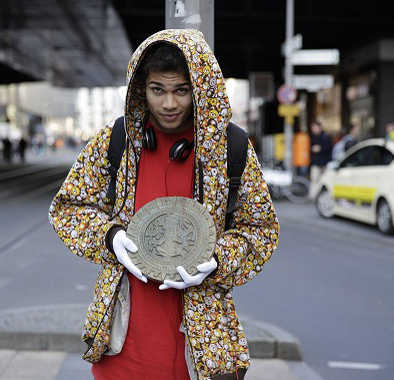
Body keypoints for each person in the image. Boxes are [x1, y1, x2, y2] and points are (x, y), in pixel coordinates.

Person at [49, 29, 279, 380]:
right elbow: (67, 208)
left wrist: (217, 261)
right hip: (124, 349)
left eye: (181, 90)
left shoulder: (230, 149)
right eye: (158, 90)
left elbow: (261, 230)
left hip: (203, 352)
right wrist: (110, 237)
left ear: (199, 89)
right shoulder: (116, 141)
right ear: (141, 88)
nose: (169, 104)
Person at [309, 120, 332, 197]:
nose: (314, 129)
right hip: (315, 162)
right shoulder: (311, 137)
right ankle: (313, 196)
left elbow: (330, 147)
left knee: (326, 180)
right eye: (312, 128)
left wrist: (320, 148)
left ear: (320, 127)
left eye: (315, 127)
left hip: (325, 162)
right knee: (314, 179)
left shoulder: (326, 136)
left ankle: (324, 195)